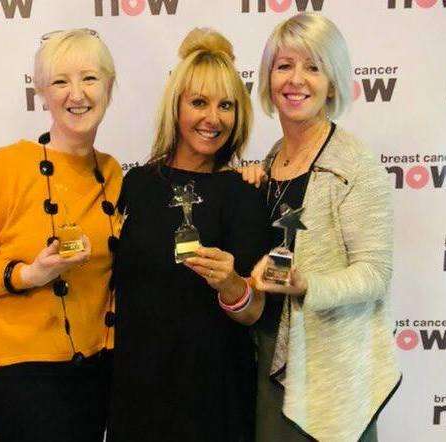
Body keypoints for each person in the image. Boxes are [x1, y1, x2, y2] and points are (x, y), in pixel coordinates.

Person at [0, 29, 121, 441]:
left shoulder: (112, 173)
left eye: (90, 78)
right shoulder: (6, 165)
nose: (77, 94)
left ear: (109, 86)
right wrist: (28, 275)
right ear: (42, 93)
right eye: (60, 81)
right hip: (17, 367)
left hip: (96, 365)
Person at [239, 13, 401, 442]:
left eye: (313, 67)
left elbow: (375, 274)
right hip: (272, 353)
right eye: (284, 65)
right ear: (268, 78)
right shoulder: (273, 159)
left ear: (333, 81)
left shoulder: (355, 165)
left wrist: (305, 284)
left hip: (331, 371)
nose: (297, 80)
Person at [107, 28, 270, 442]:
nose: (212, 118)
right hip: (139, 390)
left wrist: (232, 285)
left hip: (215, 396)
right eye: (198, 102)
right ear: (176, 106)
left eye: (226, 105)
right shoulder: (137, 184)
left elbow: (257, 312)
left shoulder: (243, 192)